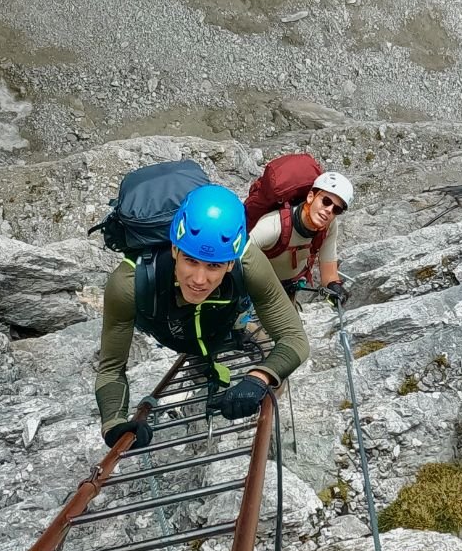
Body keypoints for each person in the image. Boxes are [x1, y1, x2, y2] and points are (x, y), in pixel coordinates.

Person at [94, 183, 310, 448]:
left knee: (268, 367)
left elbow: (294, 338)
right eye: (190, 260)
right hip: (178, 333)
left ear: (231, 262)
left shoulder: (249, 263)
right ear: (174, 249)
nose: (198, 279)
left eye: (214, 266)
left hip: (225, 325)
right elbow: (111, 368)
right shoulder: (128, 283)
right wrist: (114, 424)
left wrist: (260, 377)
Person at [248, 170, 353, 307]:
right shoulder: (273, 225)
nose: (329, 210)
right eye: (326, 201)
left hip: (288, 289)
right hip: (253, 288)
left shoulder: (329, 226)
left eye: (336, 210)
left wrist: (335, 288)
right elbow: (238, 260)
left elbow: (329, 274)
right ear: (310, 197)